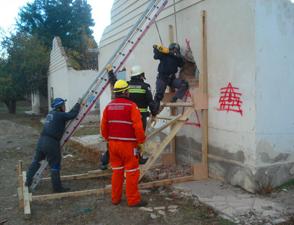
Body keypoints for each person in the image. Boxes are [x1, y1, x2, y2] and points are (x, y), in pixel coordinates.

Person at [100, 65, 157, 169]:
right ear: (141, 75)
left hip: (125, 117)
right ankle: (138, 158)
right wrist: (154, 113)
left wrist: (110, 72)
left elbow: (114, 83)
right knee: (137, 140)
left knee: (119, 139)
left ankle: (104, 161)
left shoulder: (126, 85)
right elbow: (151, 103)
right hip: (140, 117)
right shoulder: (145, 87)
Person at [100, 80, 147, 207]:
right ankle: (133, 200)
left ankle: (115, 198)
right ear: (126, 92)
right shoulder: (132, 106)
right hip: (128, 146)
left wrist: (108, 139)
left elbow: (103, 127)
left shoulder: (108, 107)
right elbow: (138, 127)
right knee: (132, 172)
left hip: (113, 145)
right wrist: (141, 141)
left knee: (117, 172)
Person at [25, 98, 81, 193]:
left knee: (36, 161)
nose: (64, 107)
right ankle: (57, 188)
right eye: (63, 105)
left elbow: (66, 115)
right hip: (51, 142)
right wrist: (78, 104)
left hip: (41, 141)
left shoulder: (51, 114)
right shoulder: (60, 115)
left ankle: (28, 181)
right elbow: (72, 114)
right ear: (60, 107)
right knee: (55, 165)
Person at [153, 43, 189, 112]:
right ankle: (154, 110)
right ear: (171, 49)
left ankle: (174, 99)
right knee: (159, 95)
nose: (175, 51)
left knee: (184, 85)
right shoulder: (164, 55)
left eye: (176, 50)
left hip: (172, 79)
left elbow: (182, 63)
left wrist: (177, 56)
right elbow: (156, 56)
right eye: (174, 49)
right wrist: (156, 49)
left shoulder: (177, 57)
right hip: (162, 77)